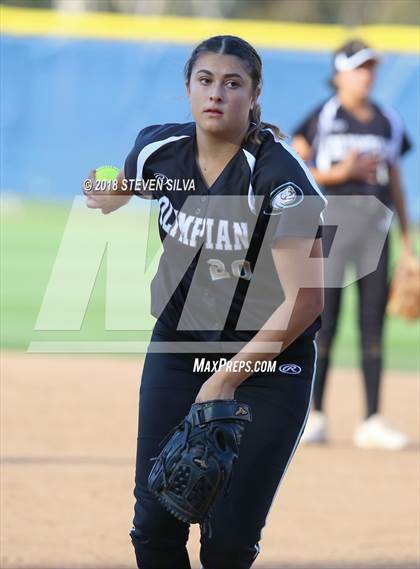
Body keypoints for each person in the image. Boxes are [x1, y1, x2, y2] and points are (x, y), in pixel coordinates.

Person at [84, 35, 327, 569]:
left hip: (270, 365)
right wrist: (106, 188)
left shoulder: (278, 177)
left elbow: (307, 301)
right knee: (153, 526)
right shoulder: (159, 150)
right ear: (188, 88)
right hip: (178, 348)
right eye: (205, 80)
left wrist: (223, 379)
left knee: (229, 541)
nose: (216, 93)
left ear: (255, 93)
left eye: (232, 83)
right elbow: (132, 182)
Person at [292, 39, 414, 450]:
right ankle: (314, 415)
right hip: (330, 232)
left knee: (372, 326)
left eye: (371, 68)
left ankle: (372, 419)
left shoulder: (387, 120)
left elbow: (395, 180)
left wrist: (409, 245)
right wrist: (340, 171)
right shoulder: (324, 116)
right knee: (323, 325)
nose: (368, 75)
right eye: (360, 68)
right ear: (340, 73)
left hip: (375, 234)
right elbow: (296, 166)